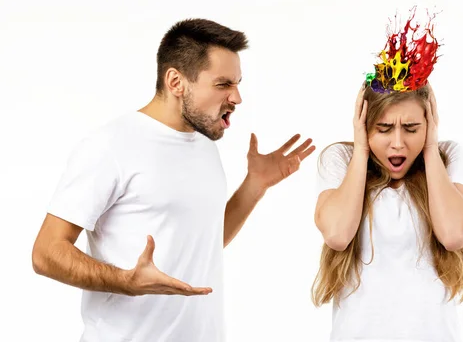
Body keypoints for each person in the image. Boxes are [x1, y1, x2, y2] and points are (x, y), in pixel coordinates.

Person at [31, 18, 315, 342]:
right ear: (176, 82)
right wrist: (125, 280)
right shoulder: (110, 146)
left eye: (237, 84)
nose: (237, 98)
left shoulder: (204, 145)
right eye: (223, 84)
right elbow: (46, 252)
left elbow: (205, 239)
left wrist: (255, 185)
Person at [311, 12, 463, 342]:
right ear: (364, 124)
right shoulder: (341, 160)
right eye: (384, 129)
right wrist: (360, 150)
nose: (398, 143)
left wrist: (430, 148)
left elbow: (454, 234)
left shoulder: (446, 157)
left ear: (429, 123)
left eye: (412, 128)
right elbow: (337, 235)